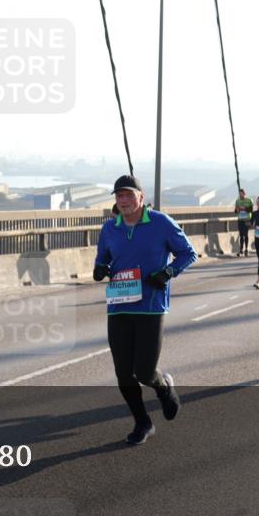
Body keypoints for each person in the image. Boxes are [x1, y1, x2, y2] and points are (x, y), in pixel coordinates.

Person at [93, 175, 197, 445]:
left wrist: (167, 272)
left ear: (140, 197)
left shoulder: (160, 223)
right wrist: (99, 269)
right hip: (118, 306)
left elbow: (188, 253)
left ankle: (163, 387)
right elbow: (102, 258)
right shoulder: (109, 228)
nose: (124, 200)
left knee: (144, 371)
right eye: (119, 196)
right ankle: (143, 423)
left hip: (150, 306)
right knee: (123, 374)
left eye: (128, 195)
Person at [234, 188, 254, 257]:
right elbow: (236, 211)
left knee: (246, 234)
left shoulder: (249, 200)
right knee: (241, 235)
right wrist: (237, 209)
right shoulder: (237, 201)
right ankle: (241, 249)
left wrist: (244, 208)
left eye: (241, 194)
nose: (240, 195)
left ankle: (246, 249)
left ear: (244, 193)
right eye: (239, 194)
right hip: (240, 220)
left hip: (247, 219)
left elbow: (251, 210)